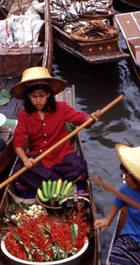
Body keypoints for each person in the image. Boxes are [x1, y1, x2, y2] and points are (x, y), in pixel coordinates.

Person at [10, 67, 99, 198]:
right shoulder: (24, 115)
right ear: (28, 96)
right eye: (34, 96)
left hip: (62, 153)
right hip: (38, 155)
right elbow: (18, 141)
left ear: (48, 94)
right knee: (20, 172)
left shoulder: (61, 108)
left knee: (78, 165)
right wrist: (25, 159)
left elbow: (81, 120)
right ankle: (55, 186)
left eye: (41, 96)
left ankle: (52, 186)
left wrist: (91, 119)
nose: (38, 100)